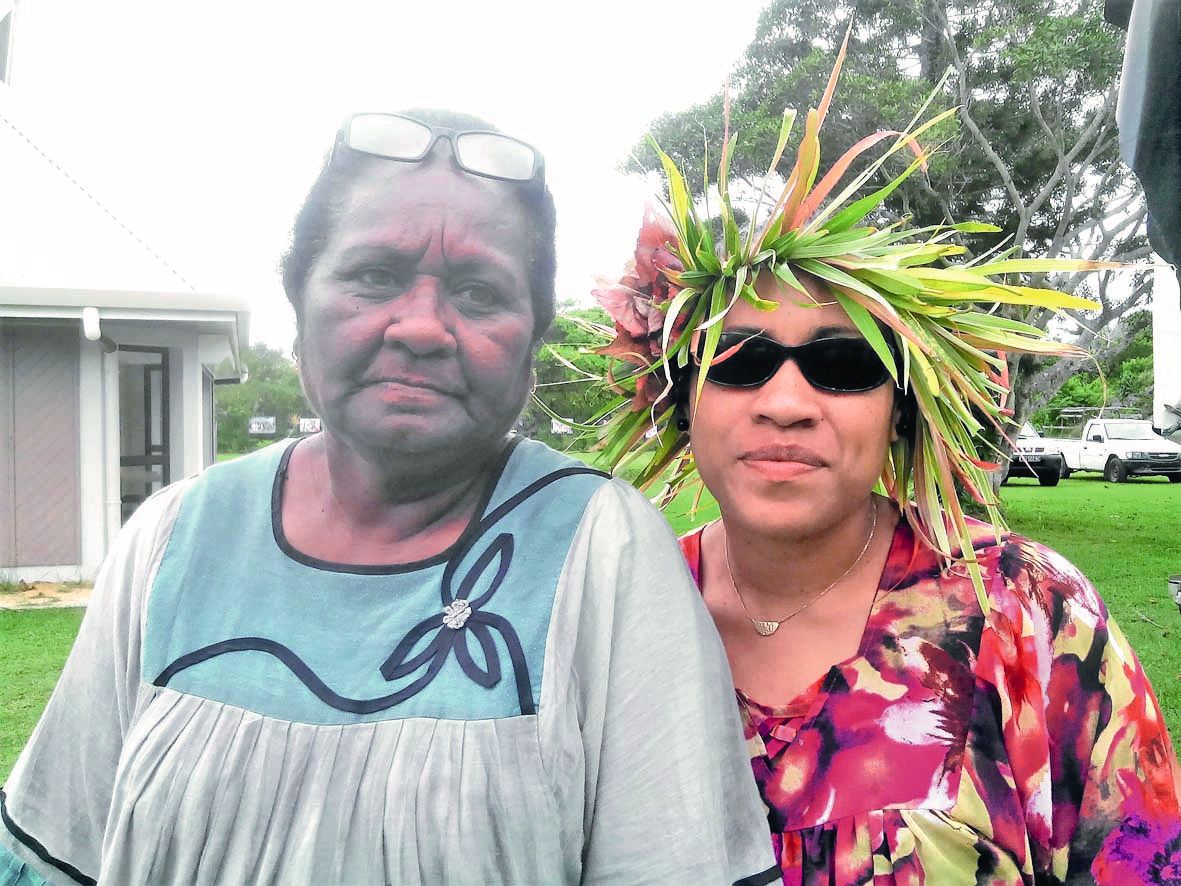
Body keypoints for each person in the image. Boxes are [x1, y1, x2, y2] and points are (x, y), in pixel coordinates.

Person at [0, 110, 778, 886]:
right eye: (374, 276)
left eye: (478, 292)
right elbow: (57, 853)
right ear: (298, 302)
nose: (422, 328)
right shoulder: (176, 536)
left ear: (531, 341)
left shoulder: (601, 550)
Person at [592, 49, 1181, 885]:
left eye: (841, 364)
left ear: (899, 409)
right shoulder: (617, 618)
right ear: (680, 399)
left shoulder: (1023, 609)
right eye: (737, 359)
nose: (785, 402)